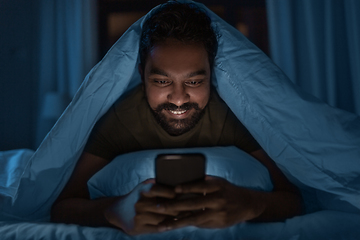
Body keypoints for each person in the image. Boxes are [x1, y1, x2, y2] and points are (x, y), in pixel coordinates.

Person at [51, 1, 302, 236]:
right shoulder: (121, 118)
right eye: (162, 81)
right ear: (141, 74)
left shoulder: (234, 114)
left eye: (194, 81)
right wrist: (114, 210)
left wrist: (250, 204)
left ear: (212, 74)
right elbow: (63, 206)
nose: (179, 99)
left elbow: (293, 198)